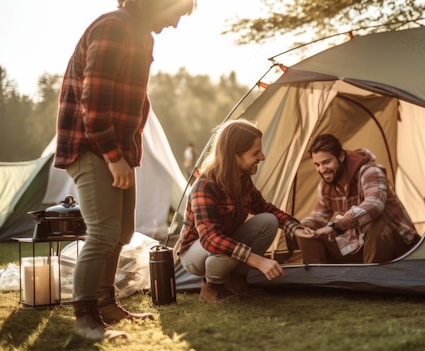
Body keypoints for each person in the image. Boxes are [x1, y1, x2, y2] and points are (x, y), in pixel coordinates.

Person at [54, 0, 198, 341]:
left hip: (118, 151)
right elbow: (95, 102)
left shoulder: (143, 38)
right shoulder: (114, 27)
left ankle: (106, 304)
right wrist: (113, 155)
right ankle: (85, 319)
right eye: (176, 13)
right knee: (103, 231)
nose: (176, 24)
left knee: (122, 231)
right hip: (92, 147)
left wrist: (127, 156)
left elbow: (136, 104)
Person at [175, 119, 315, 304]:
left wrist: (294, 228)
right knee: (224, 245)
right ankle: (212, 286)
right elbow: (210, 238)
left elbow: (265, 208)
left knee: (269, 221)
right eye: (255, 153)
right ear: (234, 156)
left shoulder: (242, 179)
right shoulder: (205, 185)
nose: (262, 157)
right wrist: (258, 261)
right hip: (195, 252)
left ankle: (236, 281)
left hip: (224, 241)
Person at [297, 134, 421, 264]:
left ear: (341, 156)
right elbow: (318, 217)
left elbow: (374, 205)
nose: (322, 169)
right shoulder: (325, 186)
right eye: (317, 165)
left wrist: (337, 226)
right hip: (358, 244)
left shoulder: (370, 171)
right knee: (307, 228)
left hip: (398, 245)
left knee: (377, 222)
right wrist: (297, 228)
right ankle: (318, 281)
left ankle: (370, 280)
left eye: (326, 162)